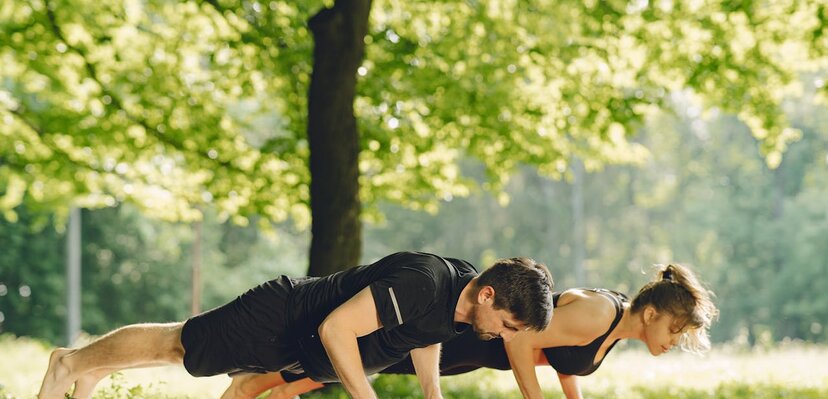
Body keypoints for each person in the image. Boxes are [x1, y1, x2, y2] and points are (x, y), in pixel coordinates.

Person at [37, 251, 555, 399]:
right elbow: (337, 330)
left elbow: (424, 335)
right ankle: (70, 362)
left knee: (188, 357)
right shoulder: (425, 281)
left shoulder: (463, 305)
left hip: (292, 349)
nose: (507, 338)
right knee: (179, 345)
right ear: (488, 294)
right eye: (509, 325)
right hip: (281, 317)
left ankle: (94, 368)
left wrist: (430, 392)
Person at [223, 263, 718, 399]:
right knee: (364, 356)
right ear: (652, 314)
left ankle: (271, 385)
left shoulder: (612, 325)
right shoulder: (599, 313)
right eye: (675, 330)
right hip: (467, 337)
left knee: (363, 364)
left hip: (471, 354)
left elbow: (565, 358)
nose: (674, 341)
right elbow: (524, 341)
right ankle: (257, 382)